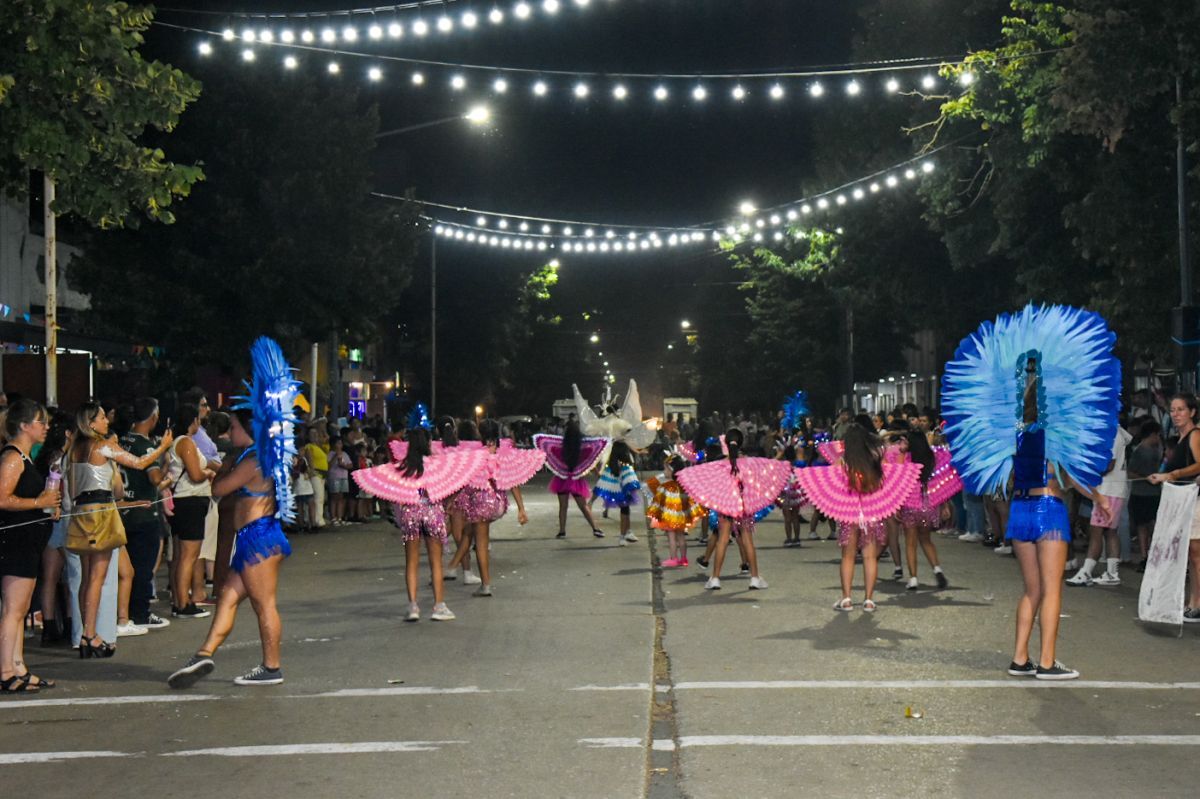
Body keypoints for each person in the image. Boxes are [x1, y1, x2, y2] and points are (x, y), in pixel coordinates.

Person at [942, 304, 1121, 680]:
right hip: (1050, 512)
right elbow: (1071, 479)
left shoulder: (1014, 439)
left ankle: (1019, 658)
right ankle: (1046, 662)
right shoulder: (1055, 435)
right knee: (1053, 589)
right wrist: (1101, 499)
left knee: (1031, 590)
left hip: (1020, 514)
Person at [168, 337, 299, 688]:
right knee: (227, 596)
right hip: (251, 538)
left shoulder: (255, 459)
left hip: (259, 537)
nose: (232, 432)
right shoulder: (250, 457)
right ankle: (204, 654)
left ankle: (272, 667)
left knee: (263, 604)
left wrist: (220, 468)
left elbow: (218, 490)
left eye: (237, 428)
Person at [67, 401, 173, 658]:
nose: (107, 421)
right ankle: (89, 635)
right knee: (96, 577)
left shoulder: (74, 449)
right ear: (91, 423)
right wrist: (162, 447)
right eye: (102, 417)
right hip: (101, 512)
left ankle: (87, 633)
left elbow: (71, 489)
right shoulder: (102, 445)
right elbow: (139, 463)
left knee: (86, 576)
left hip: (81, 511)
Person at [0, 400, 61, 692]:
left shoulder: (25, 457)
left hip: (27, 540)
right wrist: (39, 503)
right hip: (15, 541)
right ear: (24, 426)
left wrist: (47, 506)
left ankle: (18, 666)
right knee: (14, 609)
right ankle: (5, 671)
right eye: (40, 422)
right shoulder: (12, 458)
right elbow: (2, 498)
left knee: (20, 608)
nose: (46, 427)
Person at [445, 419, 539, 597]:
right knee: (470, 533)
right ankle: (454, 566)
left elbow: (465, 480)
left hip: (480, 502)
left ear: (480, 433)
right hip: (497, 503)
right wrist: (521, 508)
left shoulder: (476, 455)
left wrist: (452, 500)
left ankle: (484, 584)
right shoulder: (504, 454)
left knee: (480, 543)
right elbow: (513, 482)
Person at [117, 398, 172, 632]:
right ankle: (139, 613)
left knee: (126, 568)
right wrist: (165, 457)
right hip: (143, 514)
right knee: (143, 567)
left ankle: (124, 612)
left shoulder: (121, 440)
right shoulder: (146, 446)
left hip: (122, 511)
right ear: (153, 417)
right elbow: (155, 478)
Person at [1147, 394, 1200, 621]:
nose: (1176, 414)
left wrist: (1173, 474)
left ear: (1192, 412)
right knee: (1192, 555)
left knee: (1196, 555)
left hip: (1196, 500)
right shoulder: (1180, 438)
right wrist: (1162, 477)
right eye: (1173, 410)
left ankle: (1196, 604)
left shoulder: (1195, 435)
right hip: (1185, 501)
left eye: (1181, 409)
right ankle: (1193, 602)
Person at [1066, 423, 1133, 586]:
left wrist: (1086, 473)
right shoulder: (1116, 432)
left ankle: (1087, 571)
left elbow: (1109, 464)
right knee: (1110, 532)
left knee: (1096, 531)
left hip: (1108, 490)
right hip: (1113, 489)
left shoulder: (1113, 433)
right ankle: (1112, 572)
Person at [165, 404, 216, 620]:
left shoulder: (175, 443)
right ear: (193, 421)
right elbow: (195, 474)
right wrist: (208, 472)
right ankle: (184, 604)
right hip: (191, 501)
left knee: (179, 555)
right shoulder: (185, 442)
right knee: (189, 556)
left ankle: (179, 601)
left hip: (183, 501)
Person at [897, 431, 954, 590]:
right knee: (926, 540)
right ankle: (938, 570)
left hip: (910, 505)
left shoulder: (907, 459)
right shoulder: (933, 458)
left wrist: (901, 453)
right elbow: (940, 481)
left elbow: (898, 480)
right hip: (928, 505)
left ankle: (913, 578)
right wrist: (944, 504)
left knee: (910, 544)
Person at [534, 420, 606, 538]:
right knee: (583, 506)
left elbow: (547, 449)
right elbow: (590, 461)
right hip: (576, 480)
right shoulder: (582, 448)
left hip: (561, 478)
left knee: (563, 506)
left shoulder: (560, 446)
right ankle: (595, 529)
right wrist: (597, 474)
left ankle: (562, 531)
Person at [646, 456, 702, 567]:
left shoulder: (667, 487)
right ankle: (684, 558)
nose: (664, 472)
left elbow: (659, 500)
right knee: (681, 537)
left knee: (671, 537)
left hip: (670, 517)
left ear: (671, 471)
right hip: (682, 516)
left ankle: (673, 558)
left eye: (665, 470)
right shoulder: (683, 486)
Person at [1126, 420, 1162, 573]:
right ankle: (1145, 555)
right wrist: (1146, 477)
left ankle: (1153, 554)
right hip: (1141, 493)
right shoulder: (1140, 451)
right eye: (1158, 435)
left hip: (1153, 493)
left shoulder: (1156, 450)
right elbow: (1130, 473)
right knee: (1144, 525)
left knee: (1151, 524)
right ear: (1153, 434)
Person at [592, 440, 641, 546]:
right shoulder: (625, 466)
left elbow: (603, 481)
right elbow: (631, 481)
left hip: (618, 491)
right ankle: (622, 536)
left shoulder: (612, 466)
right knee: (625, 511)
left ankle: (627, 532)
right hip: (621, 492)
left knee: (626, 510)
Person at [327, 437, 351, 525]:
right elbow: (328, 465)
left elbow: (350, 465)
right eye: (338, 443)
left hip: (344, 477)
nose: (340, 445)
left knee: (341, 497)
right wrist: (335, 456)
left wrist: (343, 465)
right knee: (334, 497)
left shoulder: (344, 454)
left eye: (341, 443)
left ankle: (340, 517)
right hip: (334, 477)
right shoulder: (330, 454)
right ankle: (333, 517)